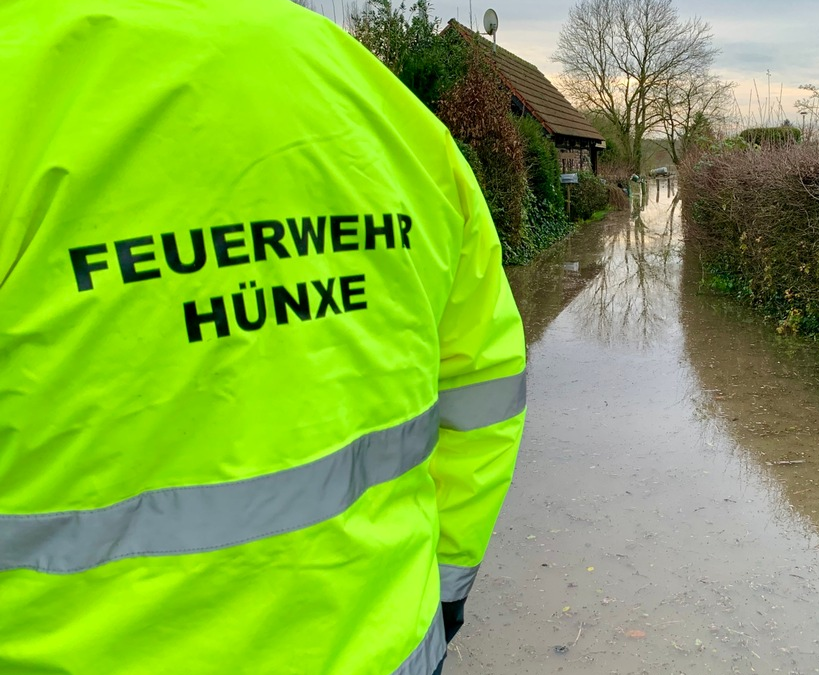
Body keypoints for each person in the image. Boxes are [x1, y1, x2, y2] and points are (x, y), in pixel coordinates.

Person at [0, 1, 526, 673]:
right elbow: (487, 385)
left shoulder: (23, 80)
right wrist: (445, 593)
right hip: (387, 646)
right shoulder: (389, 113)